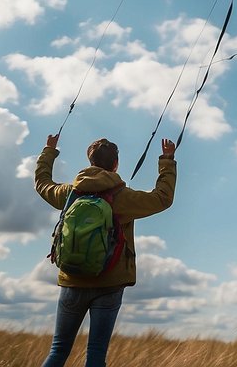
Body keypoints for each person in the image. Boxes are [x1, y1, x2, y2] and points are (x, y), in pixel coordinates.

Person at [35, 134, 176, 367]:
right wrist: (167, 160)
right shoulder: (123, 197)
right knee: (97, 352)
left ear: (90, 161)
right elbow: (162, 198)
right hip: (109, 283)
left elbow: (42, 184)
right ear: (115, 164)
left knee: (58, 350)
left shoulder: (71, 193)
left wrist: (49, 150)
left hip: (72, 280)